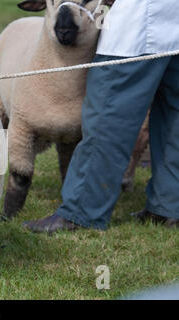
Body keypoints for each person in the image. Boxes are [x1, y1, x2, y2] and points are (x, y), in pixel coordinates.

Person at [23, 0, 179, 233]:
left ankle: (82, 213)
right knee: (175, 115)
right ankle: (168, 207)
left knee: (109, 116)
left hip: (139, 23)